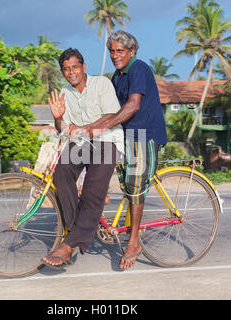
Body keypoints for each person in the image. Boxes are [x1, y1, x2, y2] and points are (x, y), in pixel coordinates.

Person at [79, 30, 168, 270]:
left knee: (136, 186)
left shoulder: (138, 68)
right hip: (125, 134)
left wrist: (102, 127)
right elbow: (110, 111)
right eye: (112, 51)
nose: (115, 55)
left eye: (120, 50)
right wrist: (87, 127)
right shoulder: (117, 76)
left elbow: (133, 105)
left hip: (143, 133)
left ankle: (134, 242)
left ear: (132, 52)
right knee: (102, 166)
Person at [42, 48, 124, 268]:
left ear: (84, 67)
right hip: (82, 144)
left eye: (75, 67)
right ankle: (77, 231)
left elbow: (111, 116)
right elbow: (65, 128)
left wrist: (86, 129)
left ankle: (68, 246)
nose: (71, 72)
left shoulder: (101, 84)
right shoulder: (65, 93)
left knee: (91, 192)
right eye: (66, 69)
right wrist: (57, 118)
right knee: (61, 172)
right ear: (62, 72)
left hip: (107, 142)